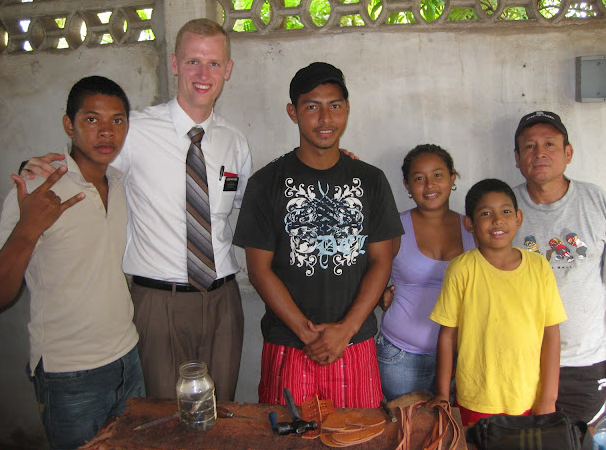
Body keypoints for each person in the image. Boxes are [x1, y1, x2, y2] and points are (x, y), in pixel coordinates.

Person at [20, 19, 252, 401]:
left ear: (227, 69)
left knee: (219, 410)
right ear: (175, 63)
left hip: (223, 300)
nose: (203, 74)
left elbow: (246, 202)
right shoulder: (135, 130)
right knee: (160, 415)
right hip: (158, 301)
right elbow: (86, 164)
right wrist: (41, 165)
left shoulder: (234, 141)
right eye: (193, 61)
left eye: (213, 63)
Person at [0, 76, 145, 449]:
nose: (106, 131)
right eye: (91, 119)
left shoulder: (120, 184)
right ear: (69, 125)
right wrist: (28, 229)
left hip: (127, 358)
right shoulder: (37, 188)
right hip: (69, 374)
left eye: (117, 120)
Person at [232, 62, 403, 408]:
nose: (325, 118)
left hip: (354, 343)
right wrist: (306, 332)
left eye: (334, 105)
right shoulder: (266, 183)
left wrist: (346, 329)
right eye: (312, 106)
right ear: (293, 112)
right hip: (289, 345)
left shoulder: (371, 180)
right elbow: (259, 270)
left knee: (359, 434)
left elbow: (381, 261)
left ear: (347, 109)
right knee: (286, 433)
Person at [428, 178, 567, 426]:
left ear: (518, 218)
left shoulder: (539, 267)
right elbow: (447, 336)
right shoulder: (461, 269)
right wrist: (441, 393)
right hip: (476, 399)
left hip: (527, 398)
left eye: (505, 211)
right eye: (485, 213)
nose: (497, 220)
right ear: (469, 224)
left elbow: (551, 335)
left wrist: (548, 398)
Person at [512, 110, 606, 423]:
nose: (539, 153)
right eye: (529, 146)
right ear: (517, 158)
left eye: (549, 144)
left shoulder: (596, 202)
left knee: (574, 439)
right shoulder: (503, 208)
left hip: (585, 362)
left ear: (568, 153)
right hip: (521, 359)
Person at [377, 144, 475, 401]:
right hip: (401, 355)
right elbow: (369, 272)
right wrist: (379, 296)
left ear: (452, 178)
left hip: (460, 354)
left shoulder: (472, 227)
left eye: (438, 175)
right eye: (419, 178)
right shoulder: (395, 227)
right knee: (406, 426)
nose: (429, 185)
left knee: (451, 425)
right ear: (407, 186)